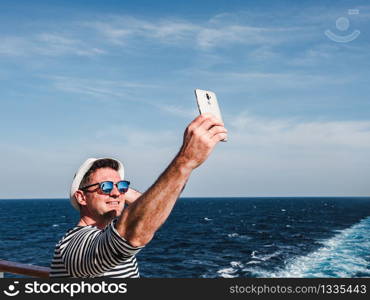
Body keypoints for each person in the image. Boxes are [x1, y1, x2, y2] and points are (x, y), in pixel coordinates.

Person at [50, 113, 228, 278]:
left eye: (121, 186)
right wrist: (185, 161)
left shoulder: (108, 234)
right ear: (81, 197)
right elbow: (130, 232)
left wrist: (120, 192)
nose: (115, 192)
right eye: (104, 187)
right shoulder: (72, 245)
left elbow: (157, 203)